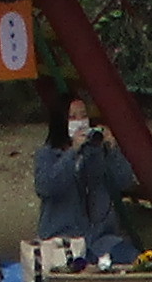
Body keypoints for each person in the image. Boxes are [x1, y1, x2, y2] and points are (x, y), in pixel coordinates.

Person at [31, 92, 139, 267]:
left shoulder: (96, 152)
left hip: (99, 238)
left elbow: (125, 181)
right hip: (63, 240)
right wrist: (72, 152)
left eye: (83, 116)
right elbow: (46, 187)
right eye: (72, 117)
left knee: (135, 260)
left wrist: (112, 150)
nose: (79, 121)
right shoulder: (47, 154)